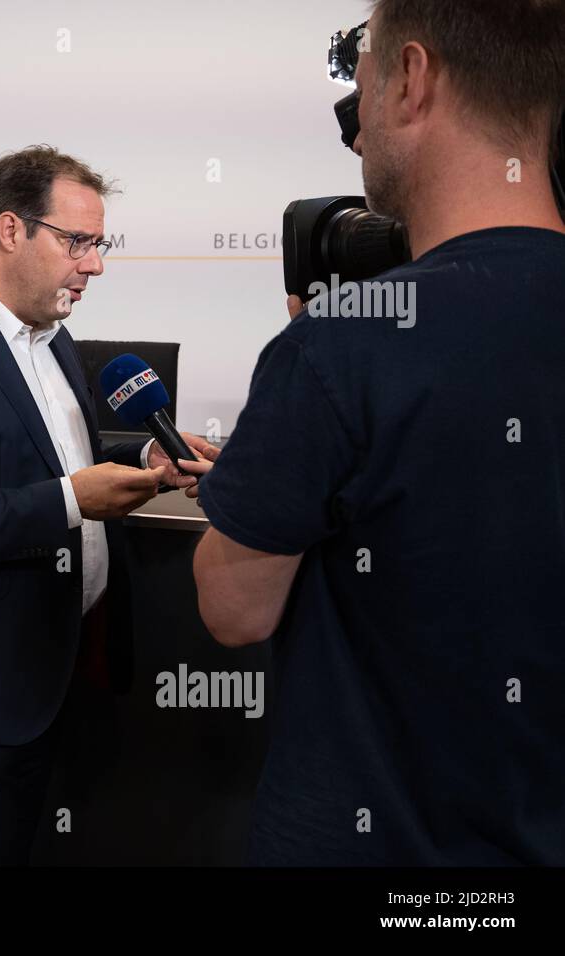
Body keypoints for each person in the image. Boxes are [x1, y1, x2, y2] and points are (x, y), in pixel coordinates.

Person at [182, 0, 565, 864]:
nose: (354, 129)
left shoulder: (343, 344)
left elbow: (234, 608)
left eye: (359, 82)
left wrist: (272, 456)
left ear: (412, 79)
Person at [0, 145, 214, 865]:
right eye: (78, 242)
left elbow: (56, 463)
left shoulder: (53, 340)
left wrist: (141, 462)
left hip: (55, 677)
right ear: (11, 230)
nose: (95, 265)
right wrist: (69, 500)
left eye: (99, 244)